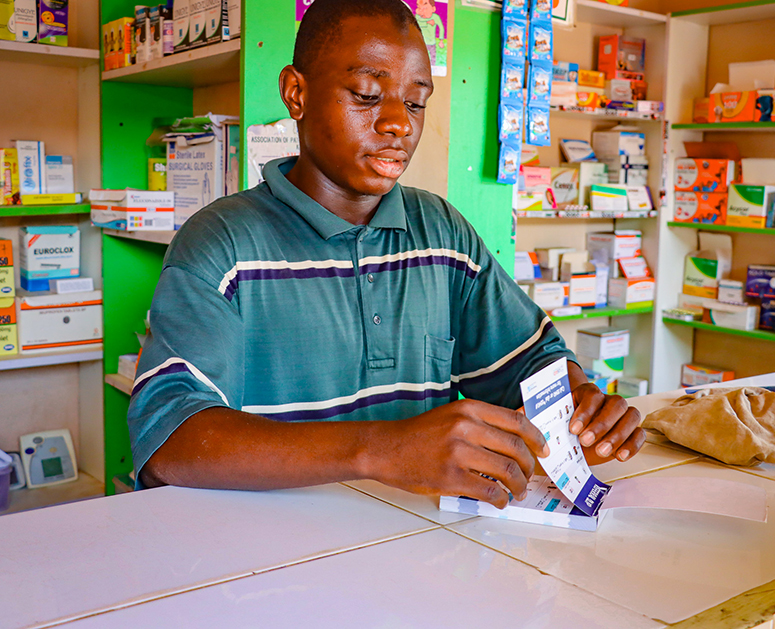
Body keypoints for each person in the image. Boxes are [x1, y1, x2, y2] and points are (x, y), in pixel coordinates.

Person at [128, 0, 644, 508]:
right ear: (296, 93)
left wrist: (580, 403)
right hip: (271, 568)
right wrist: (380, 449)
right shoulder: (221, 243)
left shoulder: (442, 233)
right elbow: (167, 441)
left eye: (416, 103)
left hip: (420, 550)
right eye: (366, 94)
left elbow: (528, 363)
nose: (399, 122)